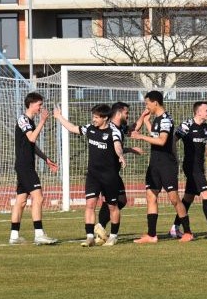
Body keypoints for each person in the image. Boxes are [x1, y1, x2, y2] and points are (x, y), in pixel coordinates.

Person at [53, 104, 125, 246]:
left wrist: (121, 155)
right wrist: (59, 117)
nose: (93, 119)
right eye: (93, 116)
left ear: (105, 118)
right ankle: (90, 237)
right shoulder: (90, 129)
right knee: (90, 204)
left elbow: (117, 145)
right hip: (93, 175)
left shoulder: (113, 131)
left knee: (112, 207)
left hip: (109, 176)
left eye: (96, 117)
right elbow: (73, 128)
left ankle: (114, 236)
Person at [129, 90, 193, 243]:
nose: (146, 106)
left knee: (174, 199)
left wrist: (141, 136)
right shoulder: (157, 119)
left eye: (147, 103)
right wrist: (145, 121)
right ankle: (152, 235)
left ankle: (188, 232)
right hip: (155, 164)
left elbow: (162, 141)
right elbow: (154, 135)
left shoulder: (165, 119)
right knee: (151, 196)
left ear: (155, 102)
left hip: (166, 165)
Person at [170, 101, 207, 239]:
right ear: (198, 112)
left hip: (199, 167)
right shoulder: (187, 125)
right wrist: (174, 157)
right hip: (191, 167)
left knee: (188, 198)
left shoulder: (206, 127)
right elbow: (173, 140)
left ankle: (174, 228)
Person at [9, 91, 59, 245]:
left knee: (21, 201)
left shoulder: (29, 121)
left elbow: (31, 144)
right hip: (25, 166)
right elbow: (32, 137)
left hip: (25, 165)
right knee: (38, 197)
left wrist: (46, 159)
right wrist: (43, 121)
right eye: (39, 104)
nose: (41, 108)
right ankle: (39, 234)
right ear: (31, 104)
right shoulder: (23, 119)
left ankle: (14, 236)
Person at [93, 102, 143, 244]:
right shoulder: (110, 128)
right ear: (119, 113)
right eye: (126, 113)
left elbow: (133, 129)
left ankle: (100, 227)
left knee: (120, 201)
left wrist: (144, 115)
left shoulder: (120, 127)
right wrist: (123, 154)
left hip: (113, 171)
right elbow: (115, 147)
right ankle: (105, 230)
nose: (128, 116)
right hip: (107, 172)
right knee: (115, 202)